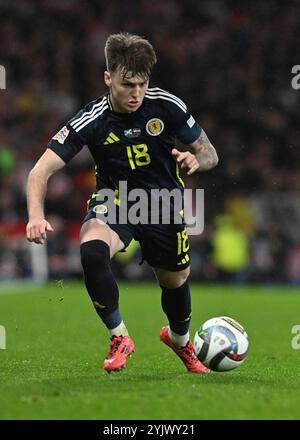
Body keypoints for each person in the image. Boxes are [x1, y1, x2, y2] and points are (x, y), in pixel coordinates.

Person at [26, 32, 218, 374]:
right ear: (108, 77)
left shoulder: (167, 105)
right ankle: (119, 337)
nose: (136, 94)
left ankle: (180, 340)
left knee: (174, 283)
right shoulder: (91, 119)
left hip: (163, 203)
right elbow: (40, 171)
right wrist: (35, 216)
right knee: (92, 251)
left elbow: (209, 154)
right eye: (128, 84)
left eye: (142, 84)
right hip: (115, 200)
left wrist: (194, 160)